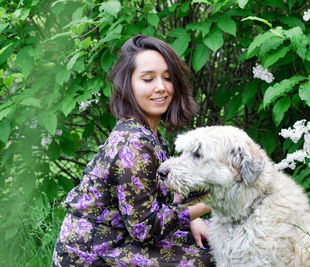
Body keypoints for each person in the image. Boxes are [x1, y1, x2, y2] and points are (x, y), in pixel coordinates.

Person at [53, 35, 214, 266]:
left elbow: (163, 197)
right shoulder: (134, 142)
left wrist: (193, 220)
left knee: (221, 238)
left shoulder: (147, 131)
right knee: (209, 258)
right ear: (128, 84)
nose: (161, 87)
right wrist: (213, 199)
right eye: (148, 79)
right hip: (93, 252)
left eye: (168, 78)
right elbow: (146, 229)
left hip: (123, 237)